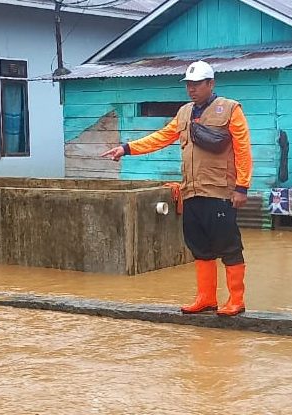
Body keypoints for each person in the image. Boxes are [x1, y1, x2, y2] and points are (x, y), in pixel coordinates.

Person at [101, 60, 253, 316]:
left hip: (219, 192)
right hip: (191, 192)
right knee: (199, 247)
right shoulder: (184, 113)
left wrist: (242, 187)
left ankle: (236, 300)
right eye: (188, 85)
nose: (191, 89)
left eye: (196, 84)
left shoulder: (230, 110)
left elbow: (243, 149)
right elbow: (162, 137)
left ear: (210, 84)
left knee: (229, 246)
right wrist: (127, 148)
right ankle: (206, 298)